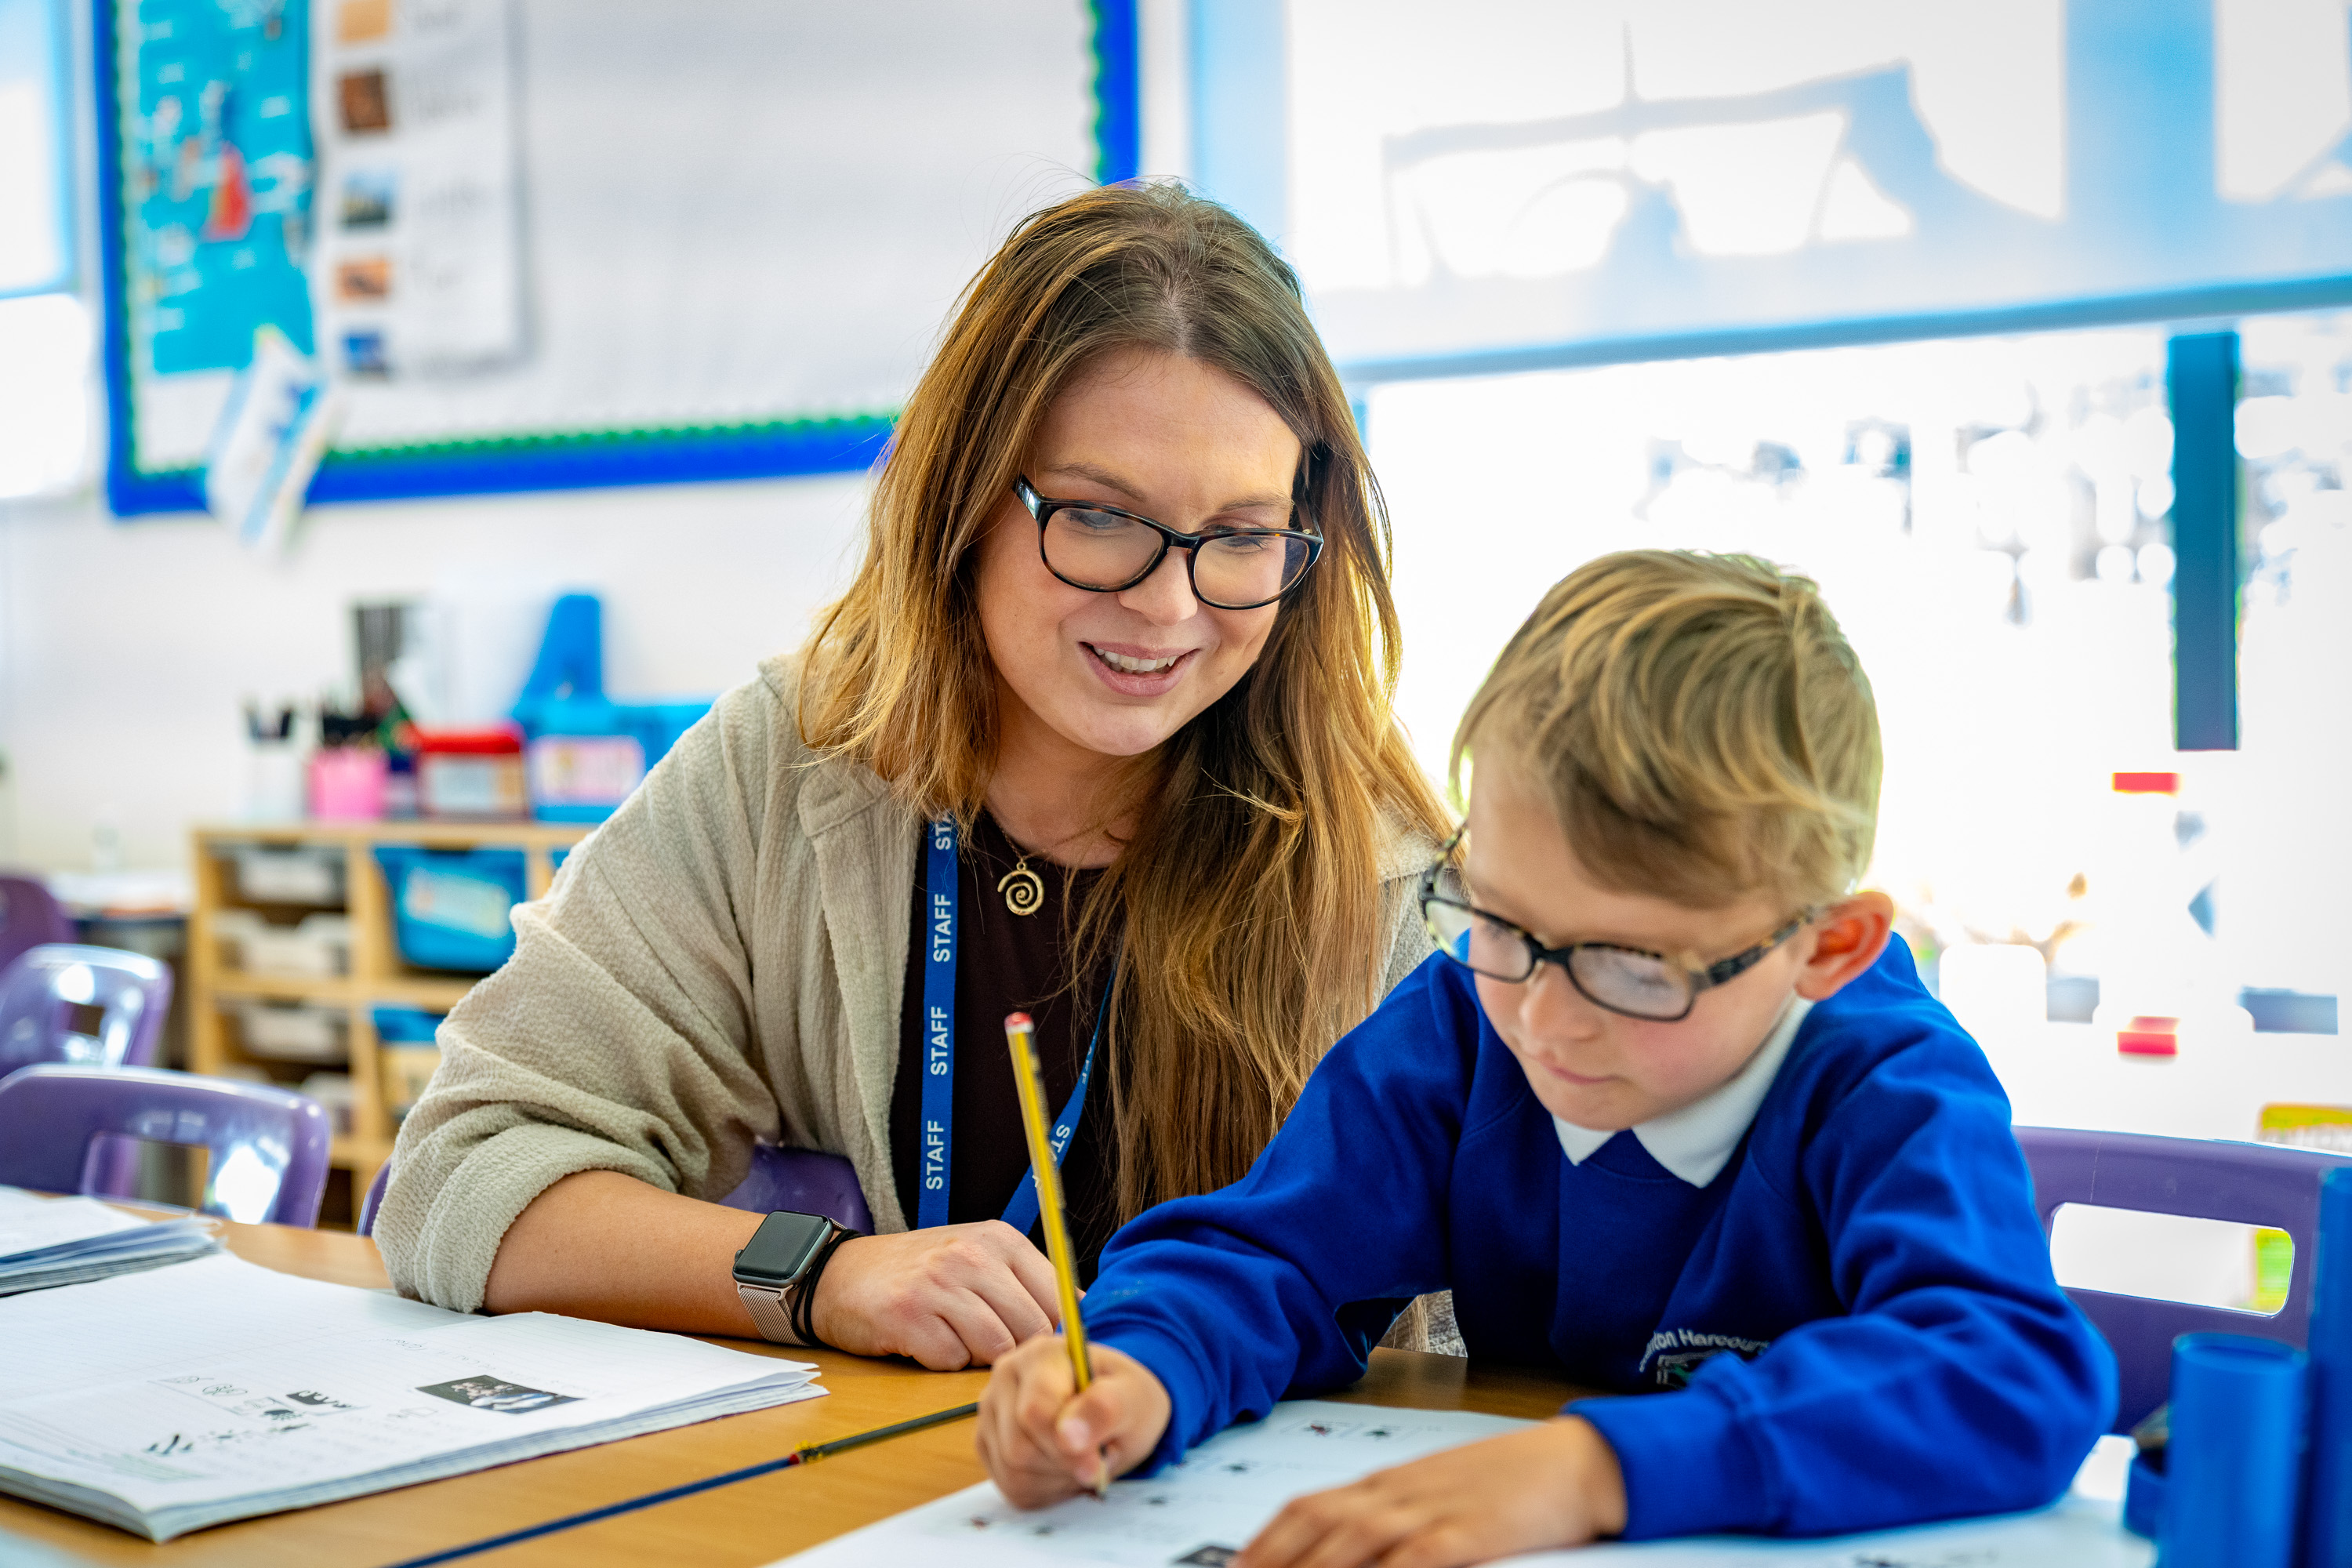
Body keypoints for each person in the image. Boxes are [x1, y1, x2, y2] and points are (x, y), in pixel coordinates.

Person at [375, 183, 1452, 1370]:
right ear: (966, 498)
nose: (1167, 604)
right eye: (1100, 518)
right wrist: (818, 1276)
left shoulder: (1385, 872)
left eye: (1243, 536)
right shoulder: (785, 764)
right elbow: (455, 1178)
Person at [978, 550, 2116, 1560]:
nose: (1549, 1020)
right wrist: (1143, 1365)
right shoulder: (1465, 1025)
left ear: (1827, 945)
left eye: (1633, 967)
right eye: (1503, 920)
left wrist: (1597, 1468)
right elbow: (1267, 1254)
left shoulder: (1887, 1087)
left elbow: (2008, 1372)